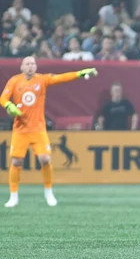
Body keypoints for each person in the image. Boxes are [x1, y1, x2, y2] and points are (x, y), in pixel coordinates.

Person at [0, 56, 97, 207]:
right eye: (27, 64)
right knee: (16, 161)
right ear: (22, 67)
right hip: (20, 129)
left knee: (45, 159)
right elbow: (3, 98)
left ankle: (48, 192)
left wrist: (79, 73)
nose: (31, 66)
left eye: (33, 64)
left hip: (38, 129)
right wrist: (9, 106)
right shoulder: (14, 81)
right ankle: (13, 196)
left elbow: (61, 78)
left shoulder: (42, 80)